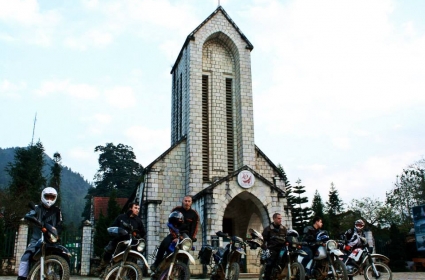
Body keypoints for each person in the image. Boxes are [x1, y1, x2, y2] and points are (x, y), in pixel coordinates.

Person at [17, 187, 63, 280]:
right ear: (43, 196)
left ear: (55, 198)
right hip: (37, 238)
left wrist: (56, 232)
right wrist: (32, 218)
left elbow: (60, 224)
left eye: (52, 197)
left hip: (51, 238)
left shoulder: (57, 211)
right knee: (26, 256)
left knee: (61, 254)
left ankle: (62, 274)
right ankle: (21, 277)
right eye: (47, 196)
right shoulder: (37, 208)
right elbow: (28, 215)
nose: (49, 199)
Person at [151, 195, 200, 272]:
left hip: (186, 236)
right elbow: (171, 224)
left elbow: (194, 228)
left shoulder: (194, 214)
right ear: (182, 201)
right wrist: (175, 237)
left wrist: (190, 240)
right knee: (164, 243)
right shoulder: (176, 210)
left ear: (191, 202)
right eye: (185, 201)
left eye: (189, 201)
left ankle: (184, 273)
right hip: (175, 233)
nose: (187, 203)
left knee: (185, 255)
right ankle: (156, 263)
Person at [96, 202, 146, 273]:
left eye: (138, 208)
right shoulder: (121, 217)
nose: (137, 210)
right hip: (119, 241)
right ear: (130, 208)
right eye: (135, 208)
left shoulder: (138, 221)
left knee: (134, 259)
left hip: (132, 244)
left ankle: (133, 274)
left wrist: (138, 236)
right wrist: (116, 233)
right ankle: (102, 266)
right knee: (109, 249)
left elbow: (143, 233)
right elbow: (113, 227)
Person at [261, 213, 287, 280]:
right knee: (270, 263)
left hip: (282, 249)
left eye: (281, 218)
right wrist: (265, 247)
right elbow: (263, 240)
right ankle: (266, 277)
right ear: (274, 219)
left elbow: (287, 237)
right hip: (272, 249)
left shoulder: (283, 229)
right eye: (278, 218)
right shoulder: (268, 229)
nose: (280, 220)